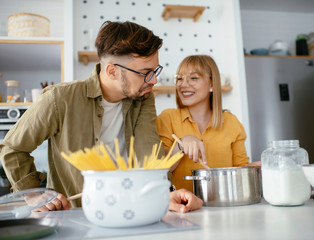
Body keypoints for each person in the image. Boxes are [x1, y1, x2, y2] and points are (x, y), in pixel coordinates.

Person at [0, 21, 202, 213]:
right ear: (112, 71)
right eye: (145, 72)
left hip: (132, 209)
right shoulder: (59, 98)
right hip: (74, 215)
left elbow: (148, 158)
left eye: (155, 70)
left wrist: (165, 196)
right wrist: (35, 194)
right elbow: (12, 148)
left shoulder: (143, 99)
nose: (154, 80)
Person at [156, 55, 260, 192]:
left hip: (221, 205)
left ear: (212, 84)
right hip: (183, 209)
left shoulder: (231, 122)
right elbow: (159, 168)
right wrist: (180, 145)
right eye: (179, 78)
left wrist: (257, 169)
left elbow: (239, 170)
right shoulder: (167, 118)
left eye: (193, 78)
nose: (184, 84)